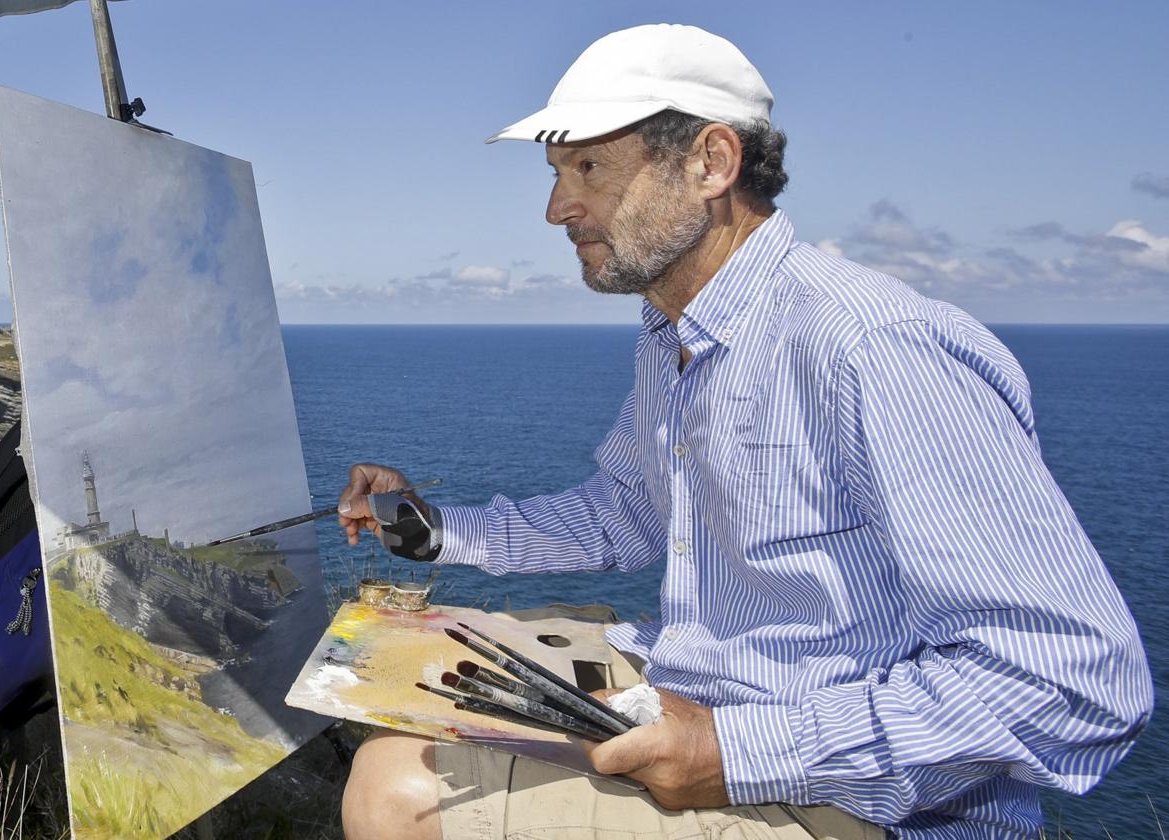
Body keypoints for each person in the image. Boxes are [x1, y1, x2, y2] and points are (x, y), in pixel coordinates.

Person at [336, 24, 1153, 840]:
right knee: (409, 680)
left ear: (711, 164)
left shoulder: (869, 345)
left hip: (872, 804)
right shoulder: (676, 335)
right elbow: (625, 511)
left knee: (394, 787)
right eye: (555, 173)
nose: (557, 208)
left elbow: (1074, 681)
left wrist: (737, 746)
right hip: (711, 700)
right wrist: (431, 530)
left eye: (589, 167)